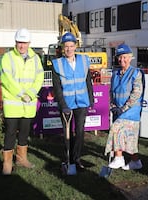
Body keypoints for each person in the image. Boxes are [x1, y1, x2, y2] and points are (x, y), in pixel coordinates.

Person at [0, 28, 44, 175]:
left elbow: (39, 78)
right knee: (10, 133)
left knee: (24, 133)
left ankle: (21, 159)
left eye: (24, 43)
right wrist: (21, 94)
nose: (22, 46)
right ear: (15, 42)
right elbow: (7, 79)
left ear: (29, 43)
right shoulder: (8, 57)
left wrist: (30, 94)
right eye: (19, 42)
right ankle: (7, 164)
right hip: (13, 104)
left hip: (28, 104)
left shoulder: (36, 58)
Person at [51, 32, 94, 170]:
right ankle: (67, 159)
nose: (69, 49)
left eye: (71, 46)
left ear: (75, 46)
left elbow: (88, 82)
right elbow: (57, 88)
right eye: (66, 46)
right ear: (63, 48)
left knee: (80, 132)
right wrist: (63, 105)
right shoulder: (57, 64)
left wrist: (91, 99)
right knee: (67, 133)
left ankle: (76, 158)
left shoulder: (84, 60)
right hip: (67, 104)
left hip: (82, 102)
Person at [105, 44, 145, 170]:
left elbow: (136, 93)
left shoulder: (136, 73)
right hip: (118, 110)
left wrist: (124, 108)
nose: (122, 60)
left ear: (130, 58)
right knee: (129, 140)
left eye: (125, 57)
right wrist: (112, 106)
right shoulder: (115, 73)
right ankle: (136, 161)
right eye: (120, 57)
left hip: (131, 112)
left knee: (115, 130)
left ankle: (118, 158)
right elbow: (111, 92)